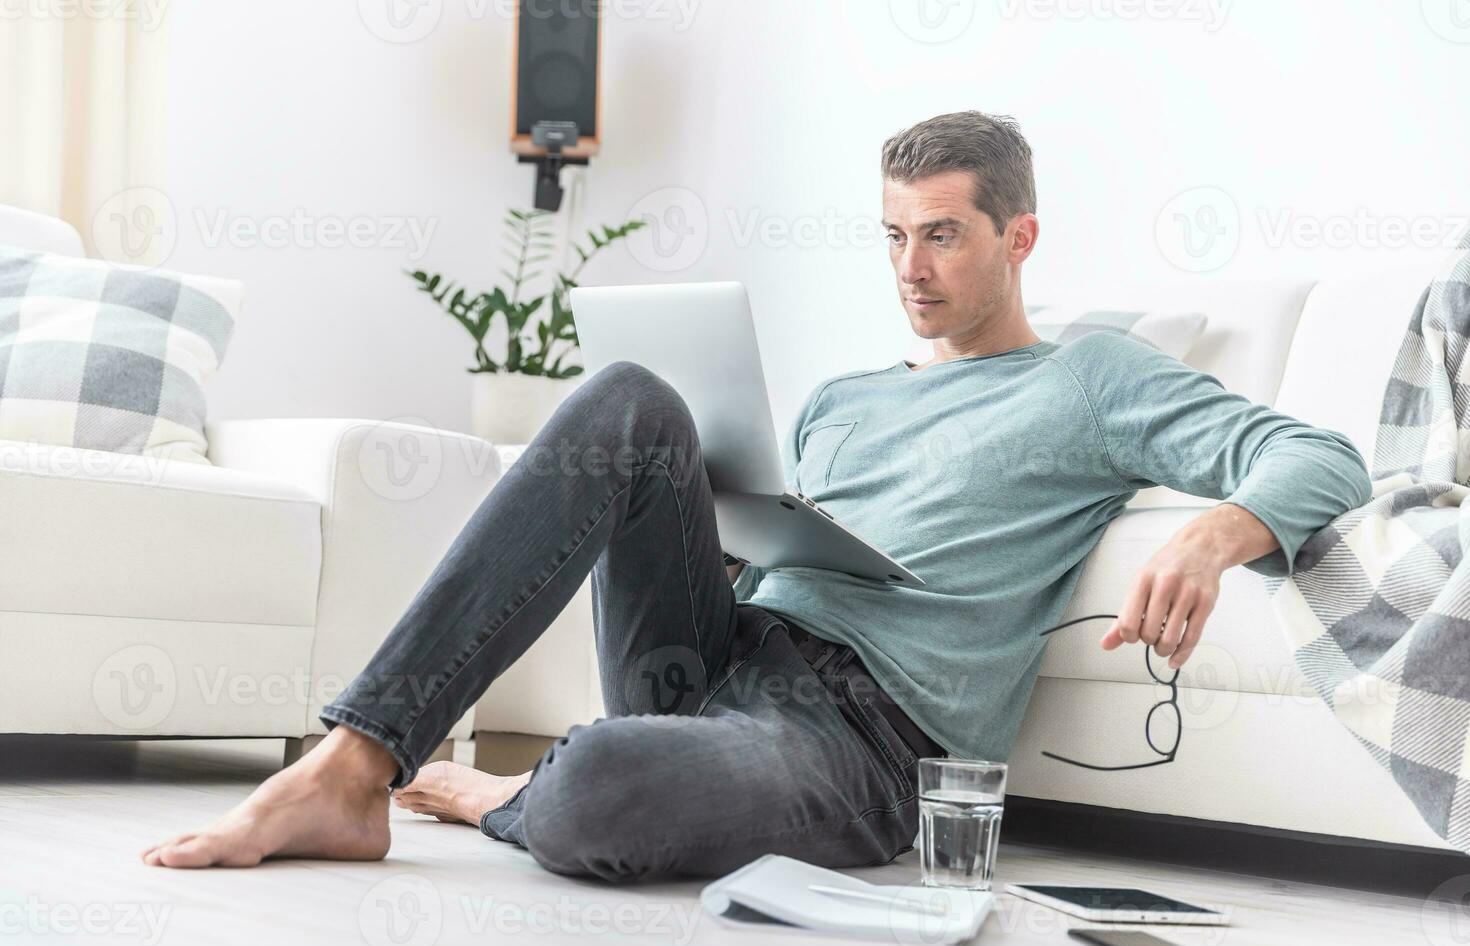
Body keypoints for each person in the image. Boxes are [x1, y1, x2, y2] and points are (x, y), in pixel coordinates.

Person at [140, 111, 1371, 879]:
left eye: (942, 234)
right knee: (627, 394)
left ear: (1021, 238)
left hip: (865, 740)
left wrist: (1218, 529)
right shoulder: (843, 394)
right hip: (724, 655)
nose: (911, 268)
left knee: (605, 783)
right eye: (892, 235)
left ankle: (515, 792)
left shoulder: (1092, 375)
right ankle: (356, 762)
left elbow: (1323, 458)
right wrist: (726, 544)